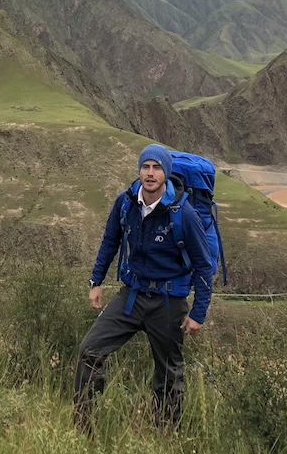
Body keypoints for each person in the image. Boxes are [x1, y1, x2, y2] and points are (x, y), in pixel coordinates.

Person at [73, 143, 216, 430]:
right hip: (131, 295)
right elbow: (110, 241)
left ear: (166, 172)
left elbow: (204, 266)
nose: (150, 173)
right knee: (89, 351)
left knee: (168, 374)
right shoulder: (125, 202)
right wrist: (96, 281)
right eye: (146, 166)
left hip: (168, 302)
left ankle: (165, 435)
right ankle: (82, 427)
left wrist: (199, 312)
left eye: (157, 167)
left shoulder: (184, 214)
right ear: (139, 170)